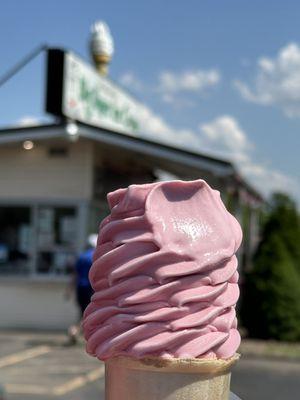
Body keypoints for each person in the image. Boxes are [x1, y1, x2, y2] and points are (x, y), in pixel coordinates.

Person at [66, 233, 97, 343]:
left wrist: (69, 291)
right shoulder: (96, 257)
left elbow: (74, 276)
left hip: (80, 289)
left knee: (83, 312)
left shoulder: (81, 257)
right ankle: (74, 331)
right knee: (88, 314)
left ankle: (77, 331)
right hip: (90, 289)